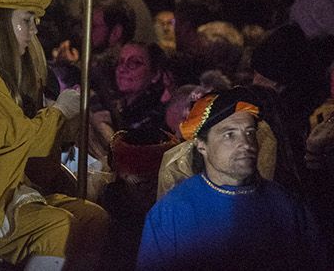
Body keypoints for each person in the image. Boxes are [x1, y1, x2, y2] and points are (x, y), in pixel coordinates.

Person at [0, 0, 107, 271]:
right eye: (26, 20)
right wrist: (60, 113)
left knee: (93, 217)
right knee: (55, 225)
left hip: (16, 190)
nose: (35, 30)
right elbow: (21, 139)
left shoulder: (7, 72)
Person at [138, 88, 328, 269]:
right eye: (229, 135)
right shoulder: (171, 213)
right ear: (201, 145)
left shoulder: (286, 205)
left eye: (249, 133)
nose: (245, 144)